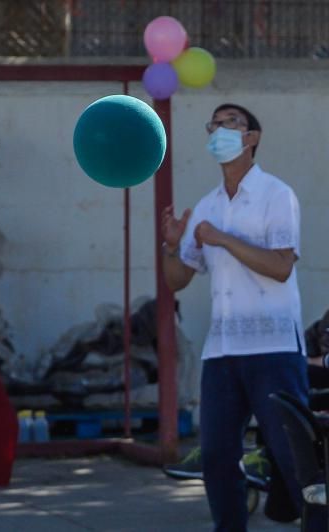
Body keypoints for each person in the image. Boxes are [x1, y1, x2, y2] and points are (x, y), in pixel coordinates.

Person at [161, 103, 323, 531]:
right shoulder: (206, 206)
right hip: (223, 351)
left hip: (273, 349)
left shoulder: (276, 195)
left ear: (251, 138)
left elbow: (281, 265)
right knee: (215, 456)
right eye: (213, 124)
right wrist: (173, 246)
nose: (219, 130)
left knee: (292, 457)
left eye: (230, 123)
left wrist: (221, 239)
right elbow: (177, 281)